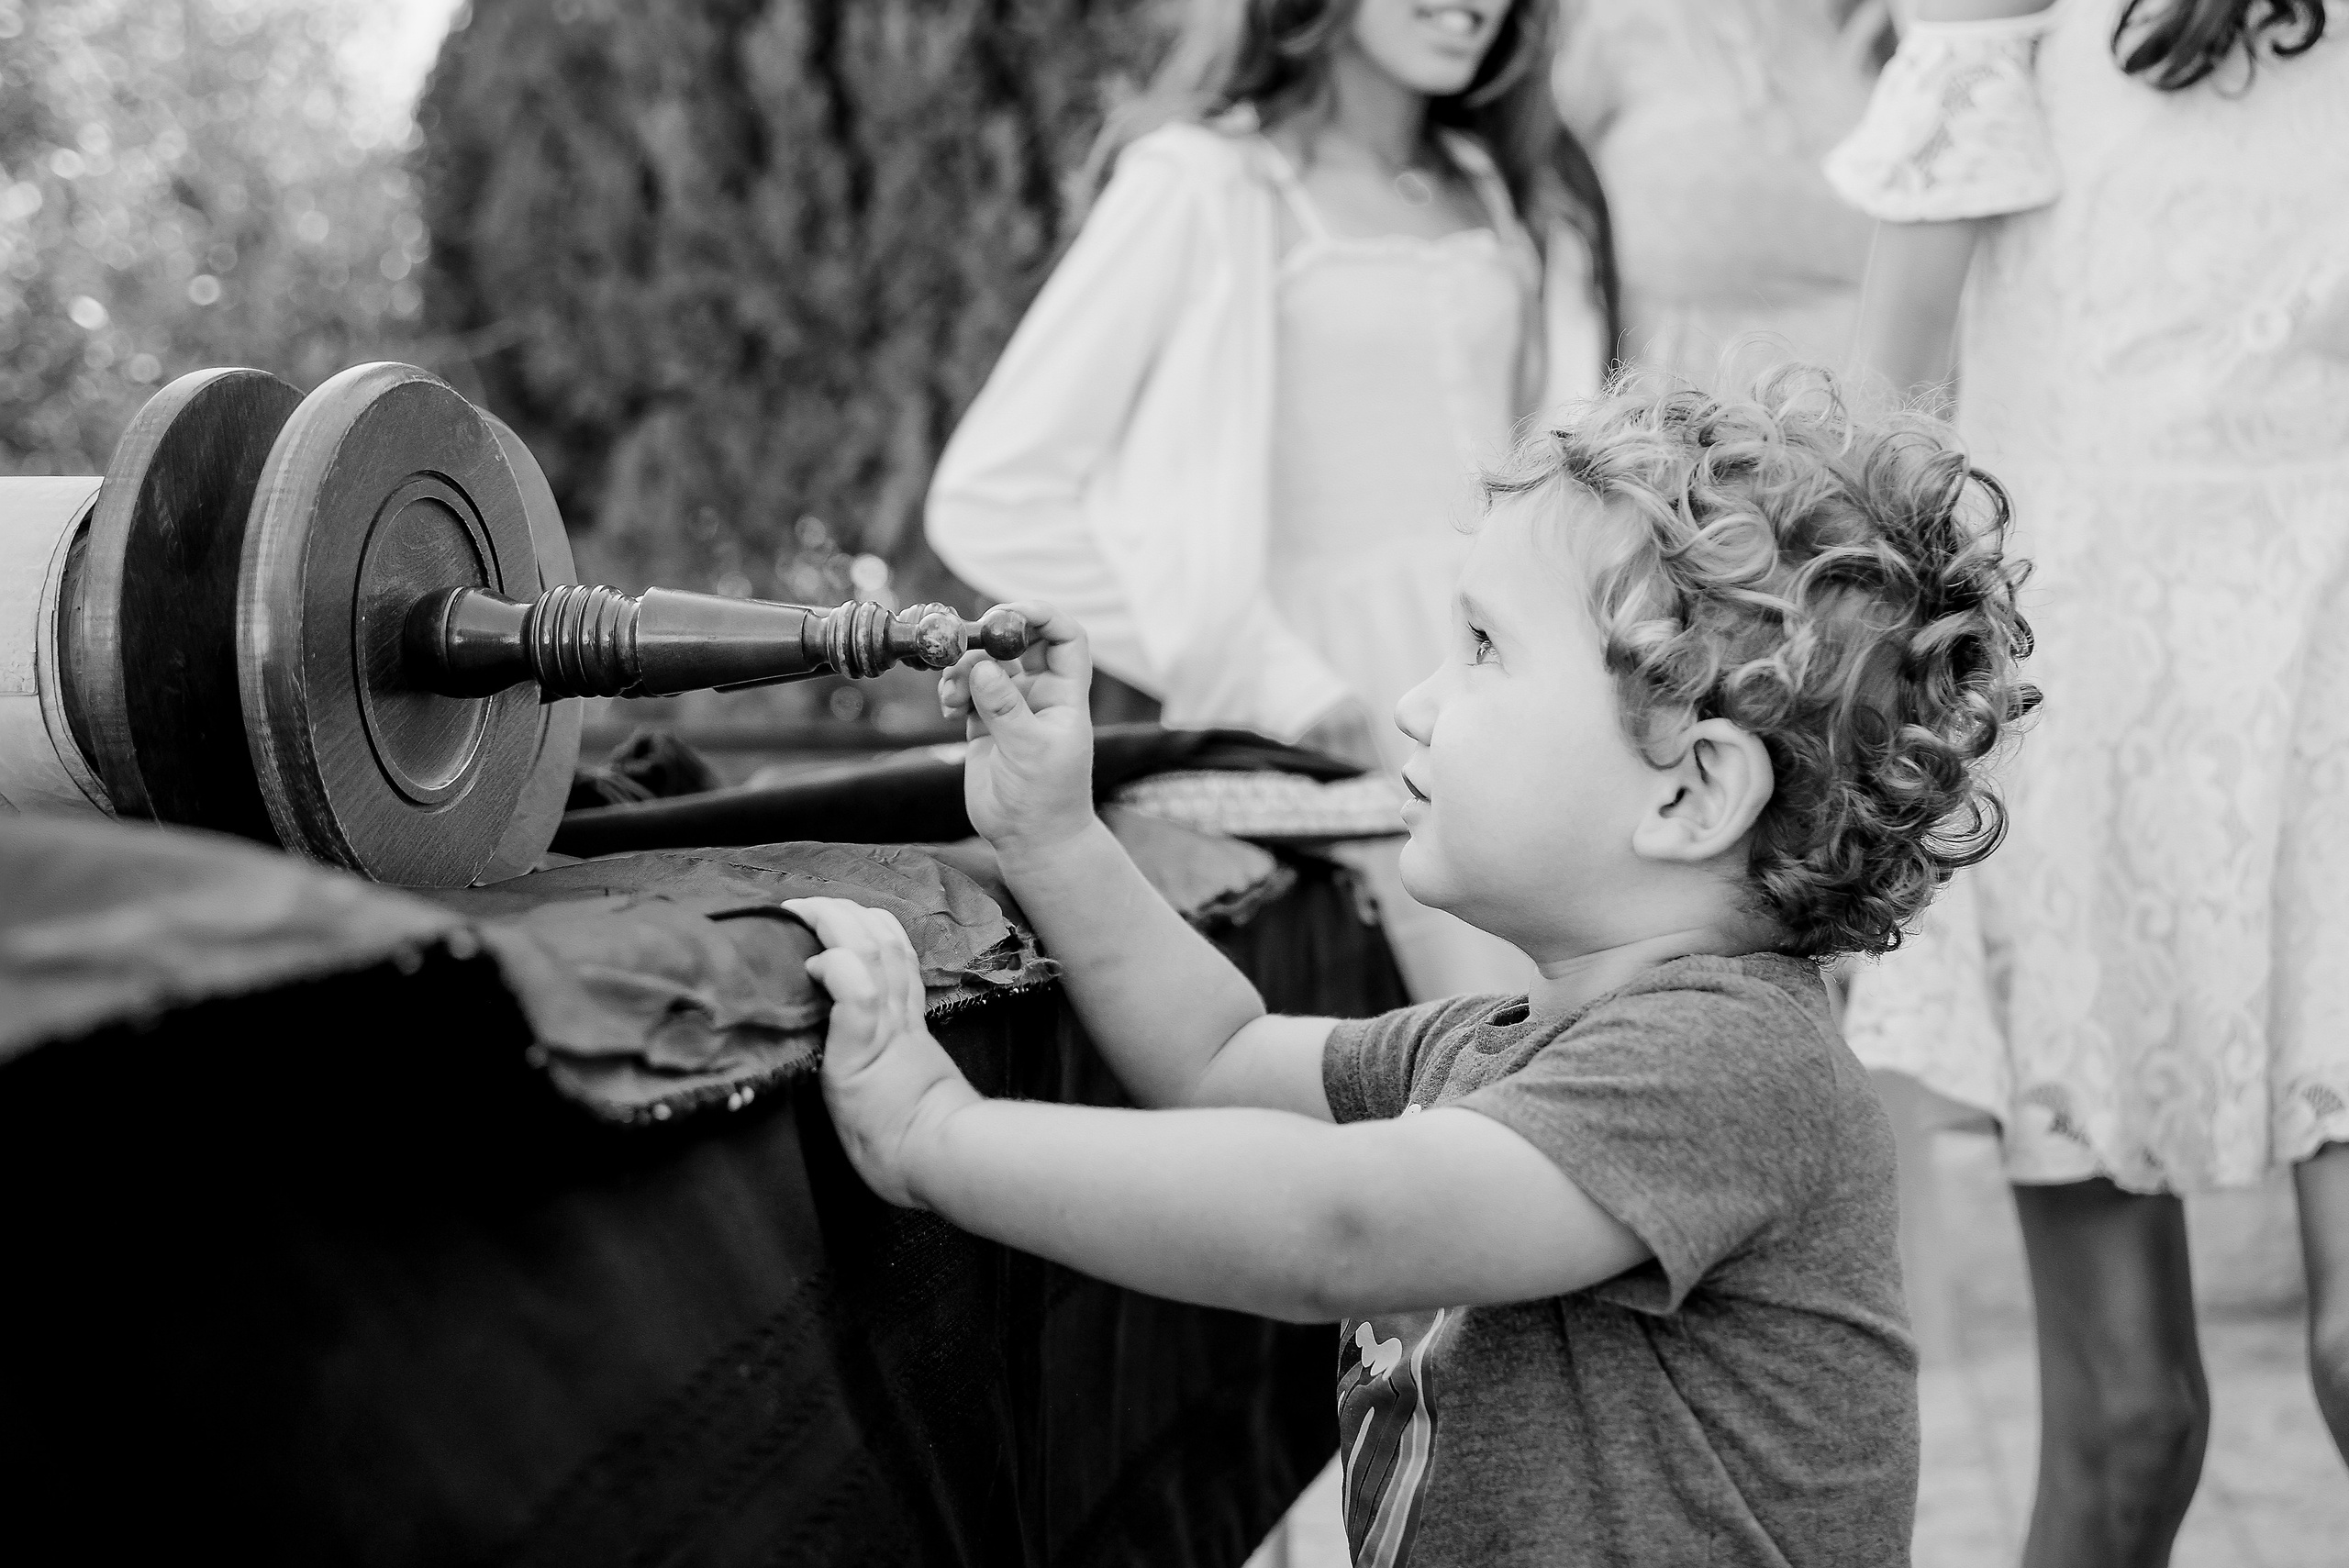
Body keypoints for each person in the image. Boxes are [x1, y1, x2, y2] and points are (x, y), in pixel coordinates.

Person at [791, 368, 2038, 1566]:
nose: (1415, 704)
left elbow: (1337, 1225)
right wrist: (1053, 835)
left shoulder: (1732, 1068)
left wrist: (933, 1137)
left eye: (1485, 648)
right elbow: (1217, 1055)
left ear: (1691, 790)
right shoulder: (1493, 1047)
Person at [1828, 0, 2349, 1560]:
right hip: (2089, 723)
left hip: (2335, 700)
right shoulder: (2006, 28)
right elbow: (1879, 428)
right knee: (2133, 1421)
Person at [924, 0, 1617, 1001]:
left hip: (1513, 689)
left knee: (1577, 1029)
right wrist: (1253, 675)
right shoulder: (1199, 182)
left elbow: (1564, 461)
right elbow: (992, 494)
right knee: (1430, 1046)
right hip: (1326, 723)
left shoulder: (1512, 193)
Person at [1553, 0, 1889, 386]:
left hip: (1852, 396)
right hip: (1674, 392)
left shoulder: (1893, 28)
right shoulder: (1620, 20)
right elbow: (1537, 162)